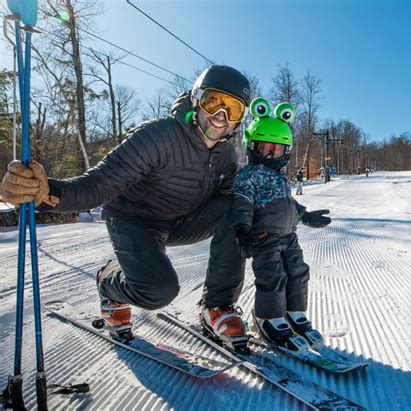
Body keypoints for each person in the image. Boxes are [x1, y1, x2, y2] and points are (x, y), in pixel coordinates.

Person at [1, 65, 251, 349]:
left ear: (239, 120)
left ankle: (216, 307)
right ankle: (110, 282)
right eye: (213, 102)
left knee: (237, 205)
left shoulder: (227, 154)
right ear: (196, 99)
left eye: (233, 109)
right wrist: (48, 192)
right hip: (135, 221)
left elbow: (231, 199)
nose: (221, 116)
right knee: (158, 291)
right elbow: (99, 184)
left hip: (181, 221)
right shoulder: (159, 136)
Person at [231, 97, 331, 351]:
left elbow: (288, 204)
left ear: (285, 151)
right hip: (264, 237)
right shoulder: (249, 175)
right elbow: (241, 203)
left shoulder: (281, 178)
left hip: (289, 236)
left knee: (298, 272)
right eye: (265, 148)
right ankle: (267, 318)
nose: (270, 155)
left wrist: (306, 216)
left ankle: (293, 312)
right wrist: (242, 230)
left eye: (276, 150)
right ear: (251, 146)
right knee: (273, 276)